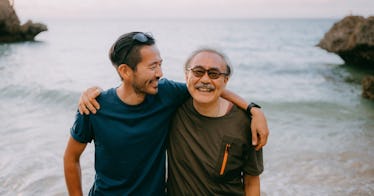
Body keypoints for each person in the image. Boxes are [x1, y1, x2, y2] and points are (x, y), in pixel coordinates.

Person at [64, 32, 268, 195]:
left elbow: (205, 85)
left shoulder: (166, 93)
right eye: (153, 67)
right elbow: (71, 158)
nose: (160, 73)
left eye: (160, 64)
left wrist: (252, 109)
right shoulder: (94, 107)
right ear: (126, 71)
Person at [167, 48, 263, 195]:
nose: (205, 79)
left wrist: (253, 110)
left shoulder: (245, 123)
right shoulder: (172, 107)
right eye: (198, 71)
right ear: (187, 75)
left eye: (214, 74)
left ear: (225, 80)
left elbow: (251, 181)